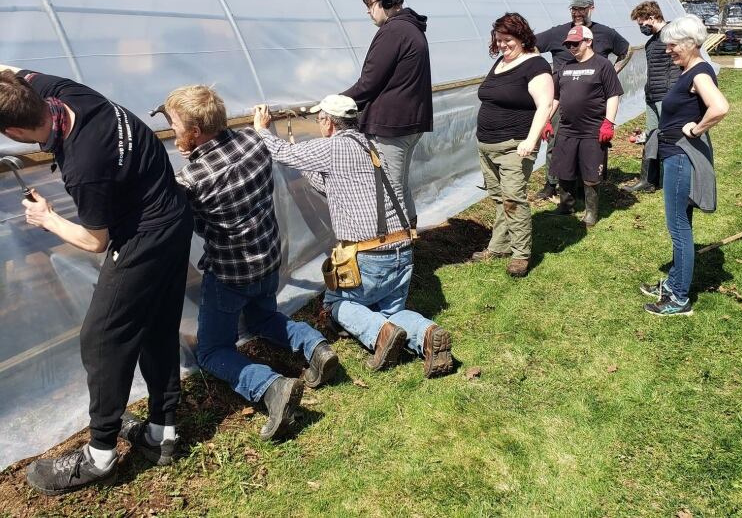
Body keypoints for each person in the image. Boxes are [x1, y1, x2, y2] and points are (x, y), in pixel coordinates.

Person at [0, 66, 191, 494]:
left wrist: (46, 219)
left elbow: (93, 241)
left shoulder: (84, 163)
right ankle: (162, 435)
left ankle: (100, 456)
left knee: (102, 338)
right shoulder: (60, 90)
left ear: (12, 130)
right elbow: (8, 71)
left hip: (145, 236)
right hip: (172, 213)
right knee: (155, 327)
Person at [160, 85, 338, 441]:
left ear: (195, 132)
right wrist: (260, 125)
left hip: (230, 275)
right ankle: (316, 346)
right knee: (263, 317)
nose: (172, 130)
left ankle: (270, 387)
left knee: (212, 351)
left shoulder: (191, 179)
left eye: (176, 125)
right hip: (269, 260)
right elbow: (248, 144)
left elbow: (180, 213)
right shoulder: (254, 143)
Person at [254, 94, 453, 378]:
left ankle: (380, 335)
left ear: (328, 122)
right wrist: (307, 164)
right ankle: (428, 334)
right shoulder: (372, 144)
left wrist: (262, 129)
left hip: (370, 255)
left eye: (319, 119)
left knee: (337, 303)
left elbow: (282, 154)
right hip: (403, 248)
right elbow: (333, 186)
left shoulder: (333, 147)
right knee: (391, 311)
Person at [640, 15, 728, 316]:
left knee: (678, 228)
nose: (668, 51)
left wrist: (696, 129)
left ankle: (679, 298)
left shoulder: (699, 73)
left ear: (690, 44)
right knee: (682, 224)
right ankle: (674, 281)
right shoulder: (689, 70)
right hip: (674, 154)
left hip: (681, 156)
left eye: (673, 45)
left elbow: (720, 107)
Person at [343, 0, 433, 230]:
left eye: (370, 3)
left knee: (390, 190)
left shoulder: (393, 31)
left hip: (393, 125)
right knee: (400, 184)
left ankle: (399, 250)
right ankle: (410, 235)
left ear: (387, 0)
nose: (368, 11)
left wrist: (334, 103)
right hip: (409, 122)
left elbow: (369, 82)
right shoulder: (410, 28)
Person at [470, 13, 553, 277]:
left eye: (509, 40)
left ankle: (521, 254)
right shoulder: (500, 63)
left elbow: (545, 106)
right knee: (499, 199)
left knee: (514, 199)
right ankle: (499, 246)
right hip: (488, 144)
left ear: (522, 37)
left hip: (515, 146)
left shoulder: (535, 66)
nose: (503, 45)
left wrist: (531, 140)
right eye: (499, 40)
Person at [533, 0, 630, 200]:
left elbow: (626, 50)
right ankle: (552, 184)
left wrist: (613, 71)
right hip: (562, 97)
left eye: (581, 9)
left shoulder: (605, 33)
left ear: (591, 8)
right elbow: (532, 47)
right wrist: (545, 75)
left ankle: (582, 184)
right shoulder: (558, 32)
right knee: (557, 142)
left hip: (592, 99)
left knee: (590, 144)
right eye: (574, 9)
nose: (577, 13)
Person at [548, 26, 623, 227]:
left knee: (591, 172)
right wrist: (547, 119)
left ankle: (591, 212)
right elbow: (556, 96)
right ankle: (566, 205)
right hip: (567, 128)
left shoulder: (603, 65)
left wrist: (609, 122)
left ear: (588, 41)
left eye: (575, 43)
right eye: (568, 44)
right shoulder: (565, 66)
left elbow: (613, 95)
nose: (571, 47)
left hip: (592, 129)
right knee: (563, 168)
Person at [624, 1, 680, 192]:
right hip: (652, 95)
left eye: (642, 23)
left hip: (668, 95)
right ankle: (648, 180)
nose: (641, 28)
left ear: (652, 17)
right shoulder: (652, 42)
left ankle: (670, 179)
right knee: (652, 136)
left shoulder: (674, 35)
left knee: (670, 137)